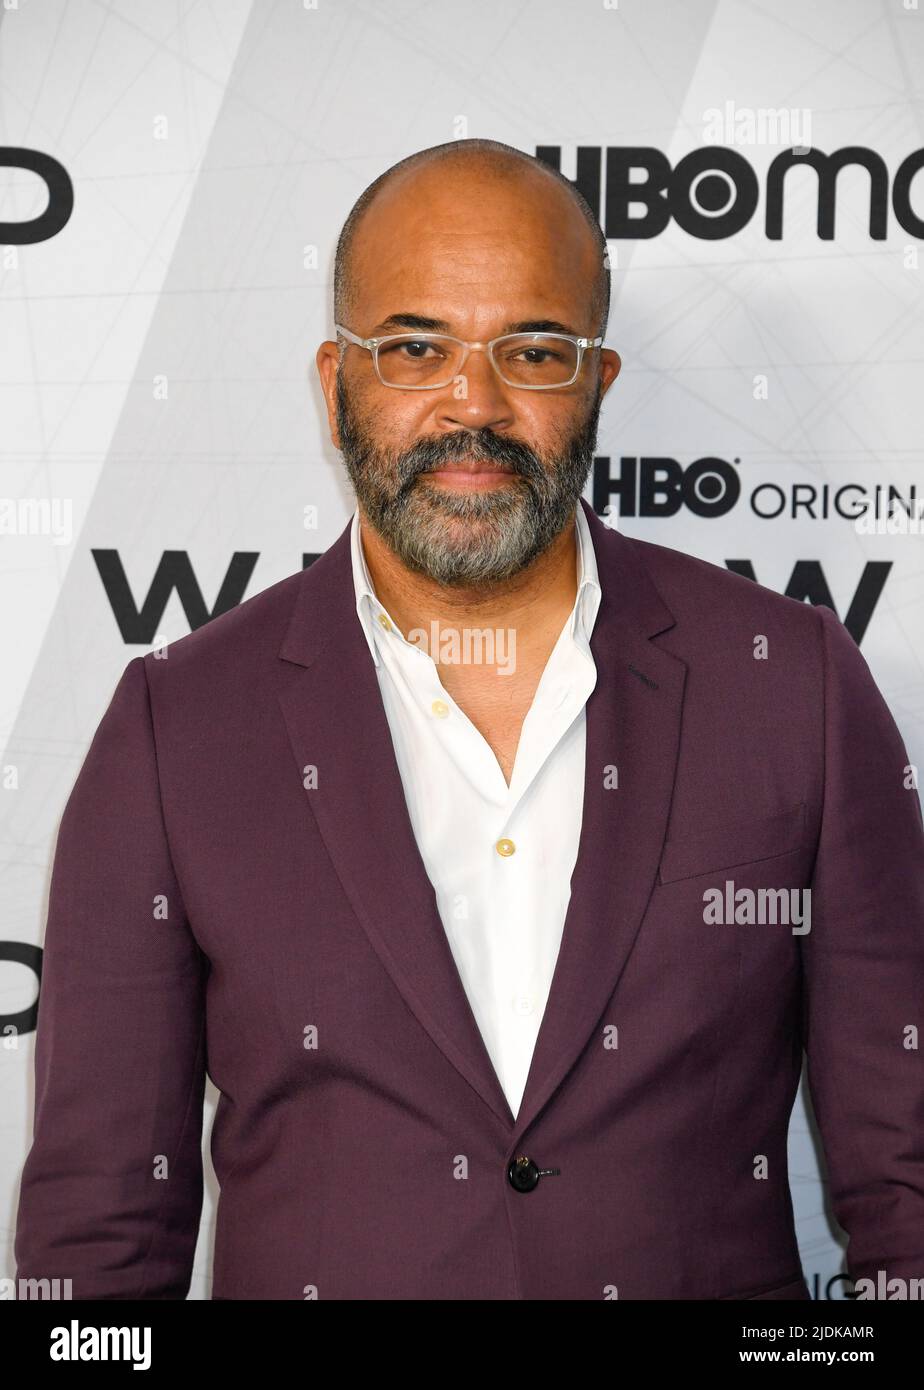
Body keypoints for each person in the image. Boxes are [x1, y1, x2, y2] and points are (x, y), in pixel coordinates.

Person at [15, 139, 924, 1300]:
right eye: (416, 347)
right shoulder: (176, 724)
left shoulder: (792, 686)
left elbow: (907, 1184)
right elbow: (97, 1236)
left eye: (533, 351)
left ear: (596, 383)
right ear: (336, 380)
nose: (473, 403)